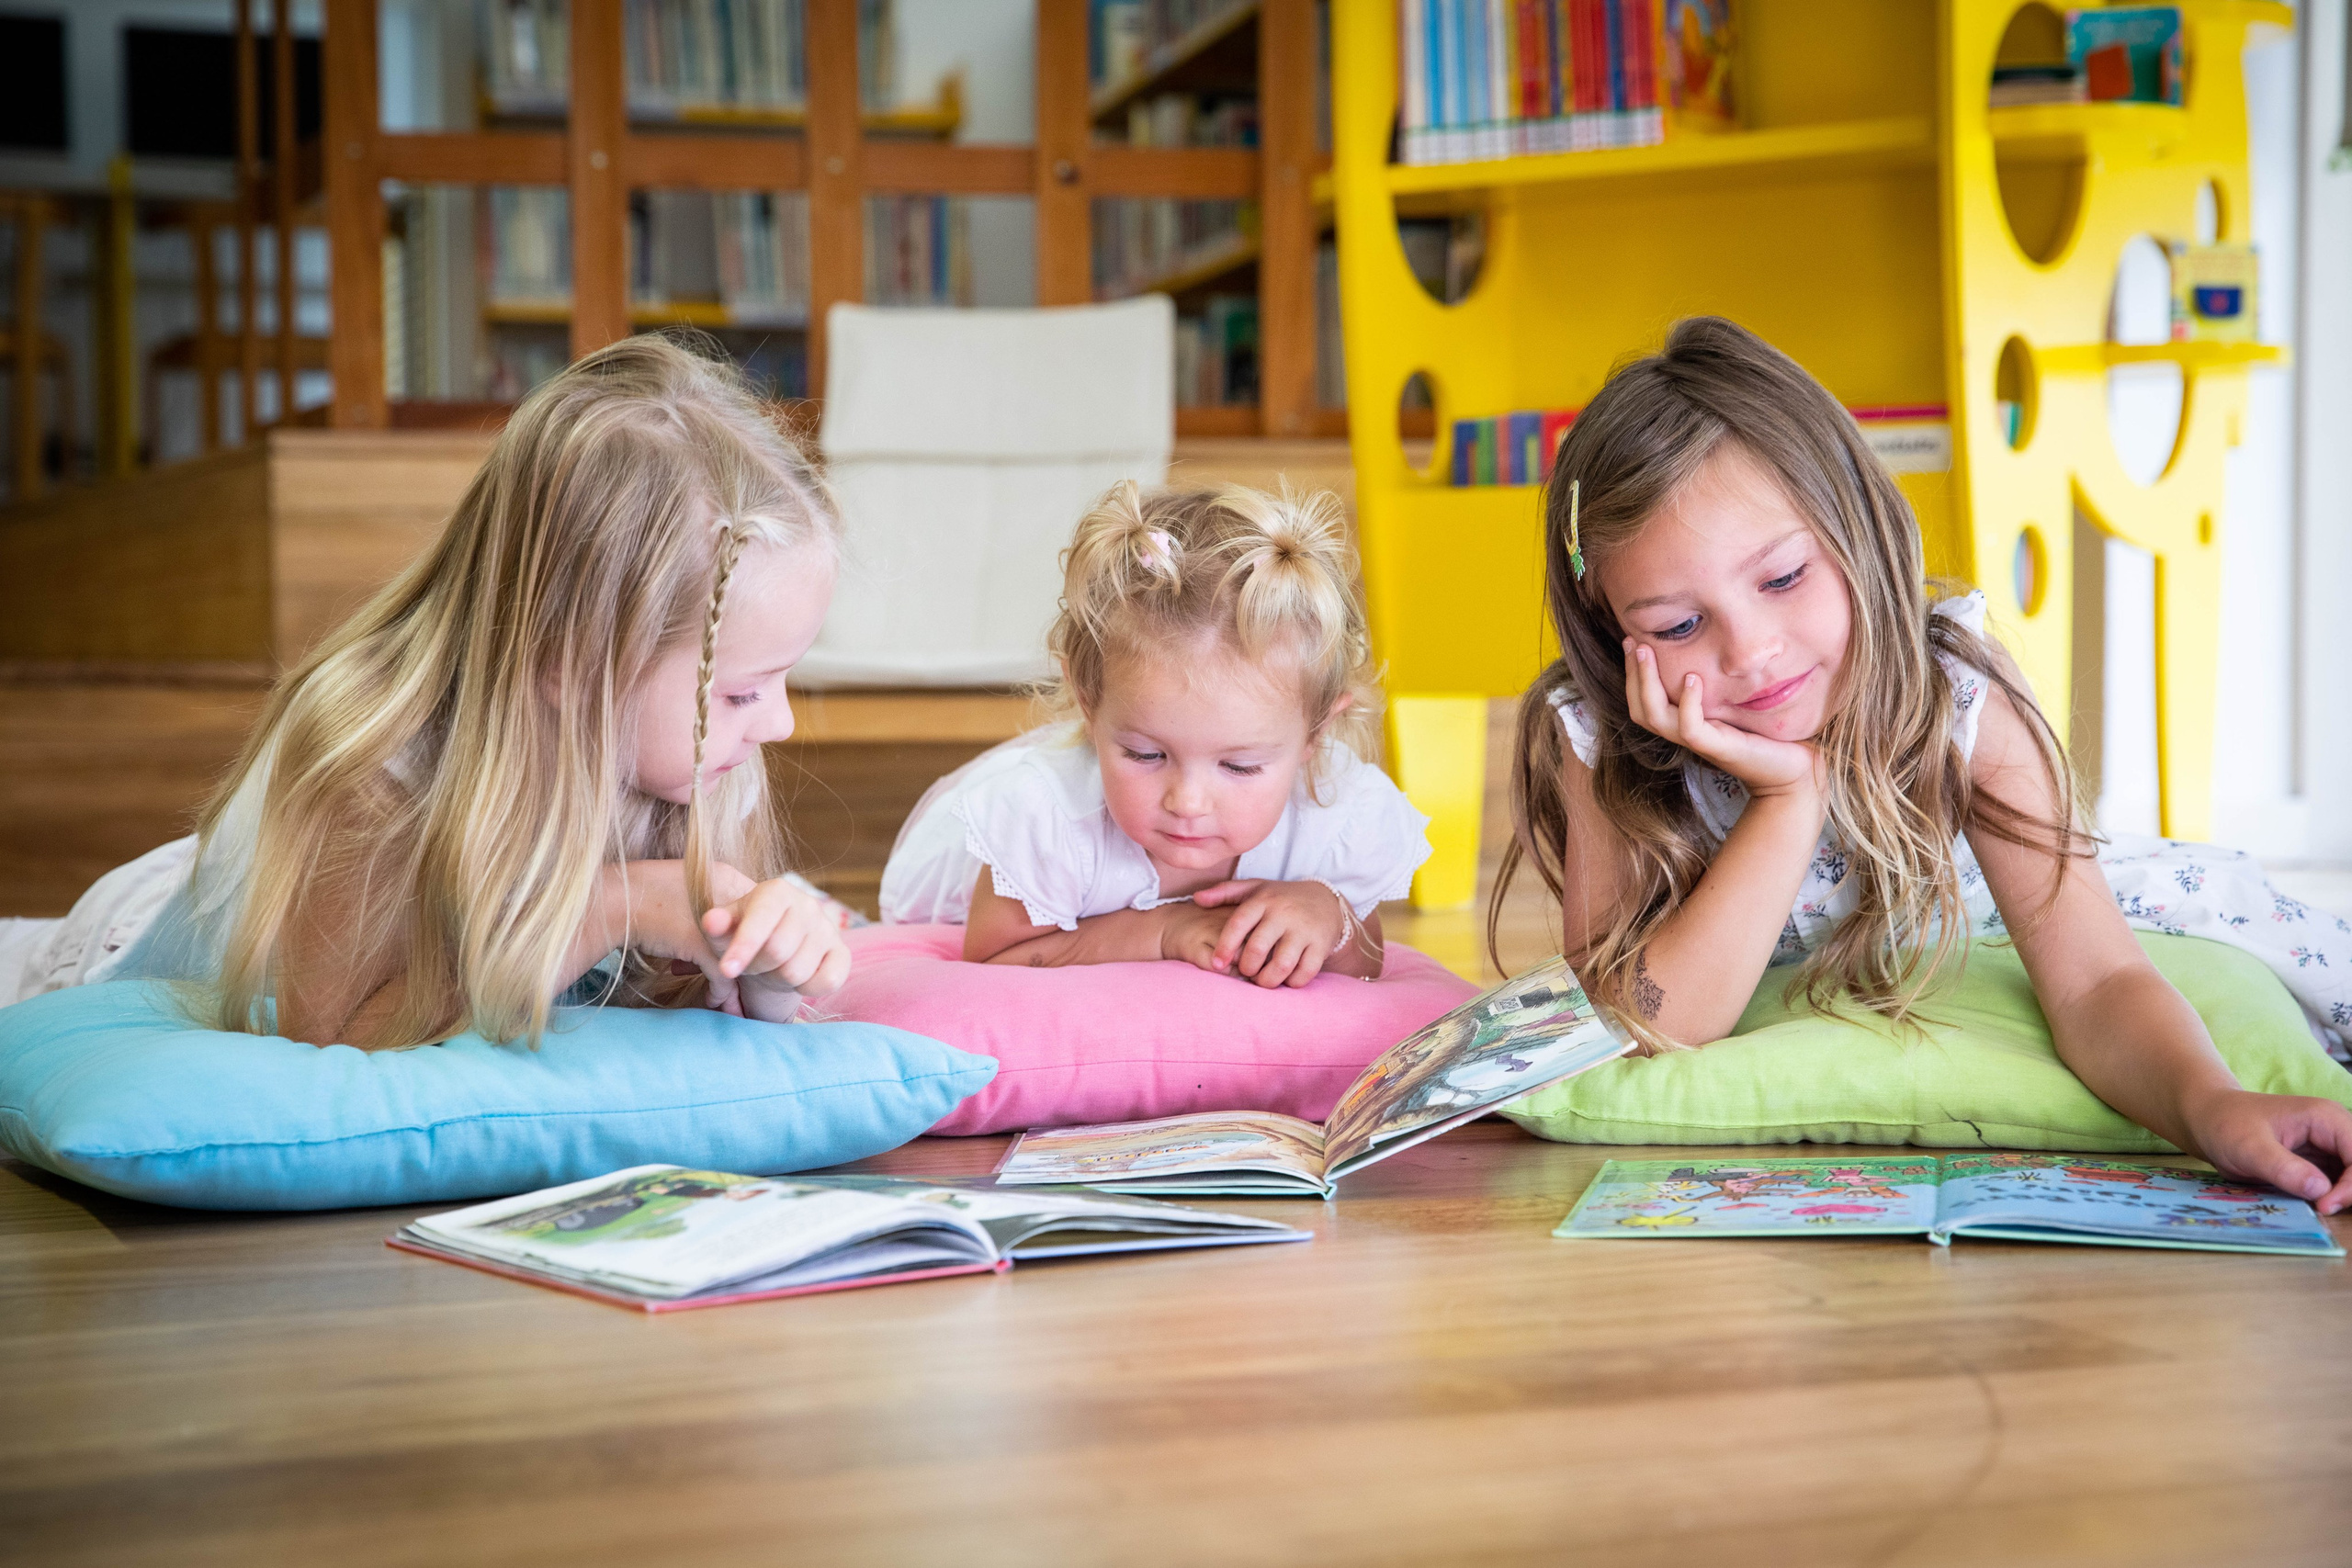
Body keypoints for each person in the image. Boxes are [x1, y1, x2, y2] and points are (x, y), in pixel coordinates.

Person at [1499, 315, 2352, 1211]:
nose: (1750, 651)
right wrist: (1788, 797)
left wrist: (2210, 1102)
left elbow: (2098, 980)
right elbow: (1634, 1023)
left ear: (1855, 528)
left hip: (2069, 906)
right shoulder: (1601, 739)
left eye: (1783, 578)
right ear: (1611, 632)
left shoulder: (1953, 685)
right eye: (1676, 626)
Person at [0, 333, 853, 1047]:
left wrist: (766, 968)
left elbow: (690, 1000)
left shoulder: (687, 756)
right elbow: (331, 1040)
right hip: (132, 949)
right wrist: (605, 907)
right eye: (742, 694)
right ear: (571, 664)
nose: (775, 724)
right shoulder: (371, 750)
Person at [881, 481, 1430, 987]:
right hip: (957, 873)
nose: (1187, 801)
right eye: (1146, 755)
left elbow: (1368, 961)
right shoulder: (1045, 820)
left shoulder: (1329, 814)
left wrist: (1328, 914)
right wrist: (1166, 931)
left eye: (1239, 767)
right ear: (1088, 701)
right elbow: (993, 961)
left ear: (1317, 731)